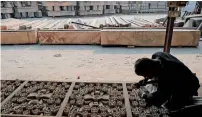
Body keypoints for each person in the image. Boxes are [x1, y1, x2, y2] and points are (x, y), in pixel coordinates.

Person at [134, 52, 200, 110]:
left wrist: (147, 97)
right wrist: (146, 80)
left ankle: (187, 97)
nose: (145, 77)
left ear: (150, 69)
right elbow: (156, 74)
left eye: (145, 75)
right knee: (153, 86)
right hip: (176, 77)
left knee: (171, 106)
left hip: (188, 84)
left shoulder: (168, 72)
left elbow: (161, 96)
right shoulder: (156, 55)